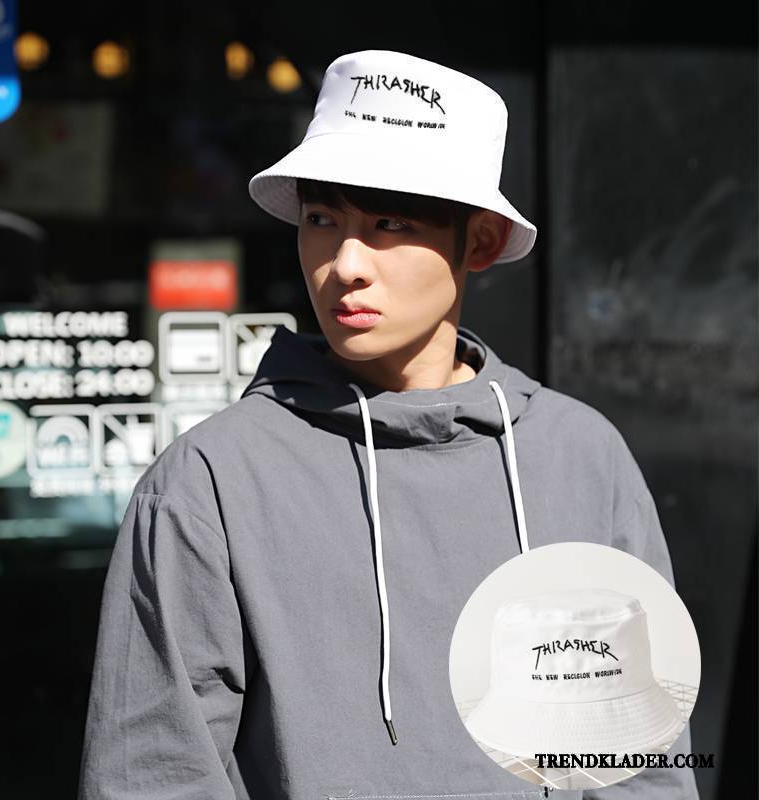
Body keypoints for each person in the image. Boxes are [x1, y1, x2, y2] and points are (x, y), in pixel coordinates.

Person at [78, 50, 699, 800]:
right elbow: (153, 776)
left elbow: (638, 760)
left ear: (479, 242)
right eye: (321, 219)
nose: (345, 263)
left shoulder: (580, 457)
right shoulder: (210, 481)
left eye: (388, 223)